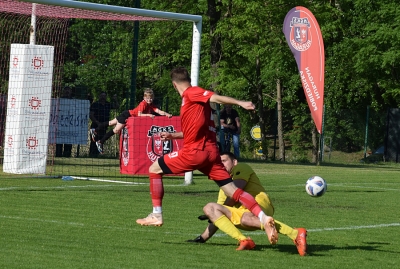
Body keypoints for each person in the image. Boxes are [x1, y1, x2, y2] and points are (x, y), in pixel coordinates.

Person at [135, 67, 279, 246]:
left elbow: (214, 97)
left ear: (174, 85)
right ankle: (264, 218)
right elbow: (195, 130)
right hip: (211, 155)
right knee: (233, 191)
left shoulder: (192, 93)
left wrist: (241, 103)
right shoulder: (200, 107)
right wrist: (174, 135)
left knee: (154, 168)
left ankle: (156, 214)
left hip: (195, 152)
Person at [187, 152, 307, 255]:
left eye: (224, 160)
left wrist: (222, 210)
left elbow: (236, 192)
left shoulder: (241, 167)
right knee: (210, 208)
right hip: (242, 213)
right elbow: (217, 215)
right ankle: (244, 240)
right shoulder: (223, 187)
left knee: (243, 217)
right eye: (219, 162)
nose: (221, 164)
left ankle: (295, 233)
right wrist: (202, 238)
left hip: (260, 203)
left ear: (234, 162)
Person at [90, 88, 172, 154]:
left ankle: (96, 131)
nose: (149, 100)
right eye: (147, 98)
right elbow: (139, 114)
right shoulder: (143, 104)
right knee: (116, 129)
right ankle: (100, 141)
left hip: (126, 114)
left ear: (152, 98)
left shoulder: (150, 106)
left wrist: (166, 114)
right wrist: (149, 115)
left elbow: (158, 111)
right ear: (144, 98)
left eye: (151, 98)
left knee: (111, 123)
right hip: (127, 115)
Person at [89, 91, 119, 157]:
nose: (103, 97)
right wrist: (97, 122)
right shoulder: (95, 104)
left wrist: (115, 100)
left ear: (106, 97)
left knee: (101, 140)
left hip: (104, 126)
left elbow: (116, 106)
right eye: (102, 95)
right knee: (94, 140)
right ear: (99, 96)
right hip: (95, 125)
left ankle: (99, 154)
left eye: (104, 96)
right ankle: (92, 155)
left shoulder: (108, 104)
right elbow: (91, 115)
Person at [56, 86, 73, 157]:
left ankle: (67, 154)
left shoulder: (74, 101)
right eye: (66, 90)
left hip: (70, 125)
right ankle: (58, 154)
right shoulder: (59, 100)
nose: (67, 92)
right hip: (60, 124)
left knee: (68, 140)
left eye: (69, 91)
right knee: (59, 140)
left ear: (71, 92)